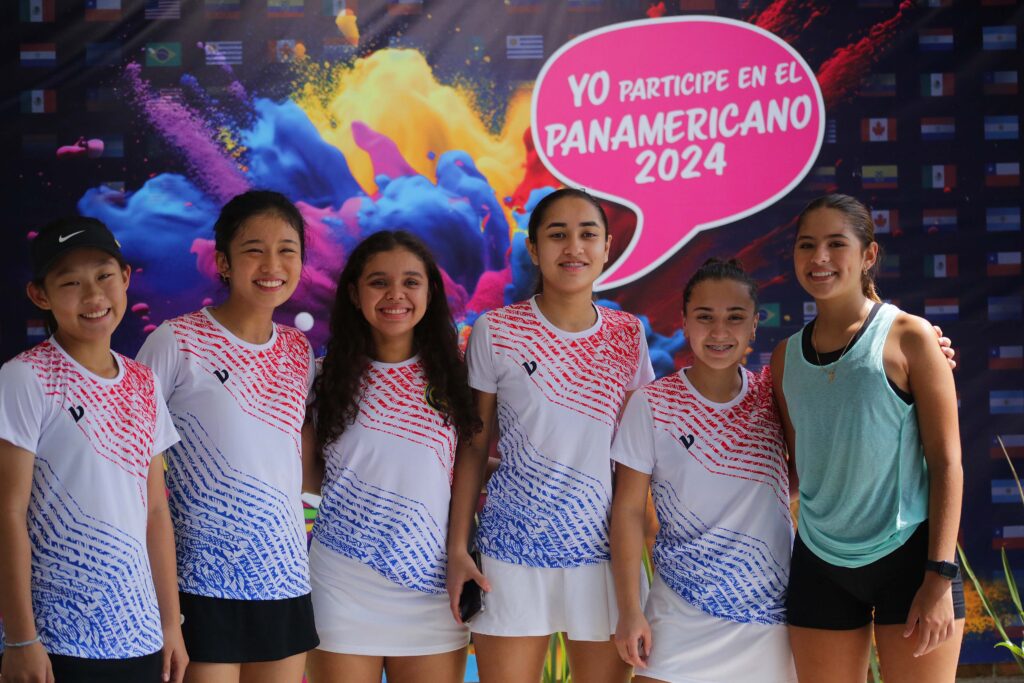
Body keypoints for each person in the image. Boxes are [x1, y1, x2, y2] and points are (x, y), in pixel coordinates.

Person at [447, 188, 655, 683]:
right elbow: (474, 446)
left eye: (588, 234)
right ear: (534, 249)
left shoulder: (628, 334)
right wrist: (458, 548)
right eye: (558, 235)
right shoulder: (496, 330)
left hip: (603, 556)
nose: (574, 248)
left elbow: (637, 460)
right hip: (509, 553)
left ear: (607, 247)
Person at [771, 193, 965, 683]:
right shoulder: (784, 358)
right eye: (806, 244)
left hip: (913, 562)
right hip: (820, 565)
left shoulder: (912, 338)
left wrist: (939, 576)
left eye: (836, 243)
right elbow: (800, 467)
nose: (819, 257)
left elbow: (947, 463)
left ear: (869, 255)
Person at [137, 191, 318, 683]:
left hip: (283, 579)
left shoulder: (298, 350)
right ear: (223, 262)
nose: (272, 265)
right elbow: (130, 468)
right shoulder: (176, 341)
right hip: (200, 582)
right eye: (254, 250)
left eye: (287, 250)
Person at [0, 217, 187, 683]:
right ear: (40, 295)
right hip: (57, 641)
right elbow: (8, 512)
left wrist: (170, 624)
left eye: (104, 276)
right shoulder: (25, 377)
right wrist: (21, 639)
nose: (93, 295)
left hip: (141, 638)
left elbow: (156, 511)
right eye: (70, 283)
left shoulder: (144, 381)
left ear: (125, 278)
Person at [302, 230, 480, 683]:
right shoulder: (322, 379)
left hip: (434, 587)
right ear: (354, 293)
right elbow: (311, 476)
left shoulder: (458, 379)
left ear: (430, 292)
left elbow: (464, 466)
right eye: (379, 282)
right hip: (341, 587)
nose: (395, 295)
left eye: (411, 282)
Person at [610, 258, 797, 683]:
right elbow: (628, 511)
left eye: (735, 317)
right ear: (684, 322)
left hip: (769, 618)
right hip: (679, 615)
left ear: (754, 325)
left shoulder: (772, 393)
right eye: (705, 317)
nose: (719, 332)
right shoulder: (652, 404)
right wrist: (629, 610)